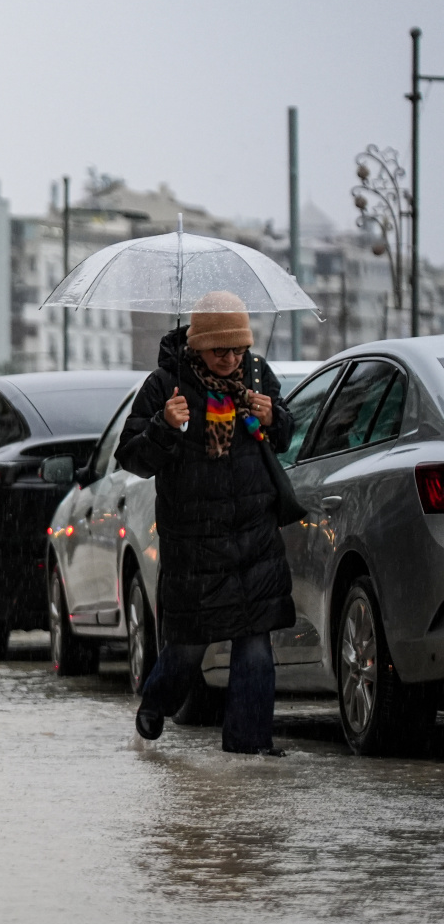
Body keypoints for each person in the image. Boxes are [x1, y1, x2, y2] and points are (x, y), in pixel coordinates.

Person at [116, 291, 294, 754]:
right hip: (195, 540)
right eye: (220, 350)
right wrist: (163, 424)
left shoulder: (256, 376)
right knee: (188, 646)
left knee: (255, 645)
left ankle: (248, 750)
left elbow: (287, 434)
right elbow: (132, 457)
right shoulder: (165, 385)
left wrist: (273, 415)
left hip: (254, 537)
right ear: (197, 345)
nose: (230, 359)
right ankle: (155, 705)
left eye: (237, 349)